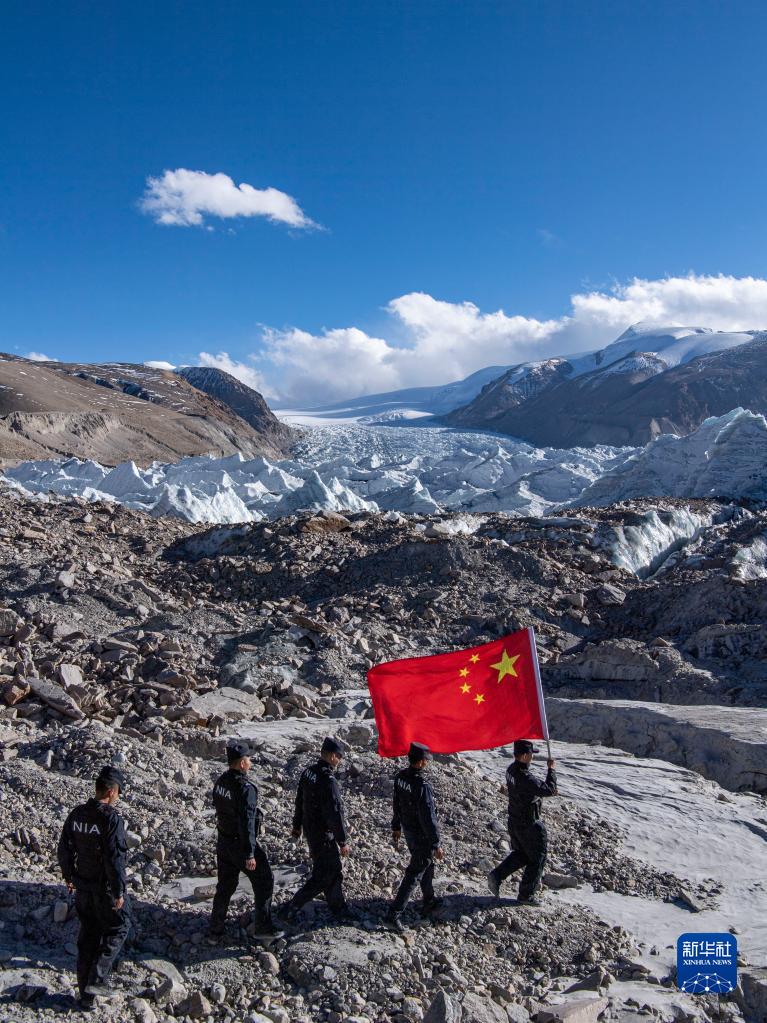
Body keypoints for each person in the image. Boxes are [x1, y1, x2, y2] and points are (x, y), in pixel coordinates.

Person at [57, 765, 130, 1011]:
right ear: (110, 791)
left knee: (88, 936)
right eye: (118, 791)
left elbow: (64, 847)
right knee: (119, 927)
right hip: (104, 889)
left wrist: (68, 876)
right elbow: (114, 858)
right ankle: (98, 979)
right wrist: (119, 891)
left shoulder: (77, 814)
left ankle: (85, 998)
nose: (118, 796)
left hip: (82, 888)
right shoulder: (111, 819)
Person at [209, 740, 281, 942]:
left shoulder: (221, 781)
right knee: (265, 880)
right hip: (241, 844)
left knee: (225, 886)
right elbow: (248, 822)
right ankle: (263, 928)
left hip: (223, 841)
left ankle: (215, 931)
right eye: (248, 758)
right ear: (241, 763)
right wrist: (250, 853)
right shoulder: (246, 788)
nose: (250, 762)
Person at [283, 736, 351, 923]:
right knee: (323, 875)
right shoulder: (328, 780)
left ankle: (338, 907)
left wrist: (297, 828)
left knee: (334, 869)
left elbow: (299, 801)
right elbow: (335, 813)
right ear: (330, 756)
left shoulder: (308, 773)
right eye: (339, 756)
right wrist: (342, 841)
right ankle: (294, 905)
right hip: (323, 834)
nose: (340, 760)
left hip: (310, 830)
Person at [487, 739, 557, 906]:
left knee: (522, 854)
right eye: (531, 754)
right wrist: (551, 770)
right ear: (525, 756)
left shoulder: (511, 770)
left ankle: (497, 876)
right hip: (529, 823)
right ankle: (526, 895)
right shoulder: (525, 777)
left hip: (514, 820)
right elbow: (549, 790)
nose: (532, 757)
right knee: (538, 857)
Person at [385, 741, 443, 931]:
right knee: (415, 872)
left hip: (408, 831)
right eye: (426, 760)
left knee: (426, 865)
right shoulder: (421, 785)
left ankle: (429, 899)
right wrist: (436, 843)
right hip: (422, 834)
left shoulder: (401, 777)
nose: (427, 763)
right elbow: (428, 817)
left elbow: (397, 803)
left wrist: (396, 826)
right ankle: (394, 913)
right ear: (419, 762)